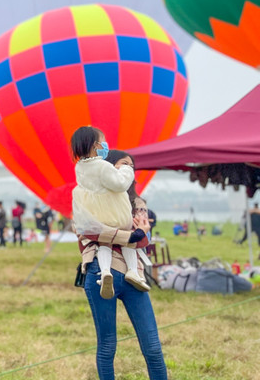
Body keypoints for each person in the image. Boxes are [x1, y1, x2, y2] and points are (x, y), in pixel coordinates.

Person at [78, 149, 166, 380]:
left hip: (133, 274)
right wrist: (130, 236)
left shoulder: (137, 202)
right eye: (122, 163)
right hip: (101, 272)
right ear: (106, 168)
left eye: (131, 165)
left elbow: (143, 240)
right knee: (108, 346)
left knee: (153, 347)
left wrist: (138, 234)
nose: (128, 168)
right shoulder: (90, 198)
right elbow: (88, 233)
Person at [70, 126, 148, 298]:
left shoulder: (80, 168)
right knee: (127, 238)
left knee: (104, 244)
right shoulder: (103, 166)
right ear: (94, 145)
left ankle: (105, 271)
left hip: (95, 216)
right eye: (103, 141)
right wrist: (126, 171)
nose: (105, 145)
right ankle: (133, 271)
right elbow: (120, 184)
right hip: (114, 213)